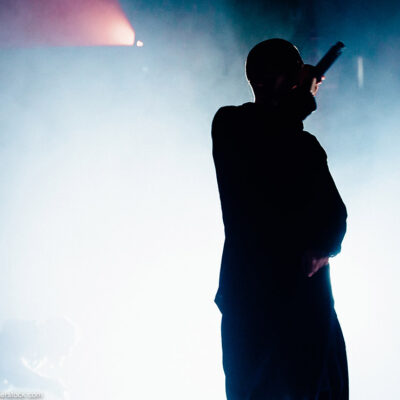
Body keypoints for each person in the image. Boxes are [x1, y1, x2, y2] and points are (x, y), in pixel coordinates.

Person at [211, 38, 349, 400]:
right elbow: (270, 139)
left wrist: (326, 245)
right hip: (270, 305)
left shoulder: (301, 145)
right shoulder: (233, 125)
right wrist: (303, 97)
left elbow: (335, 216)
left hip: (291, 303)